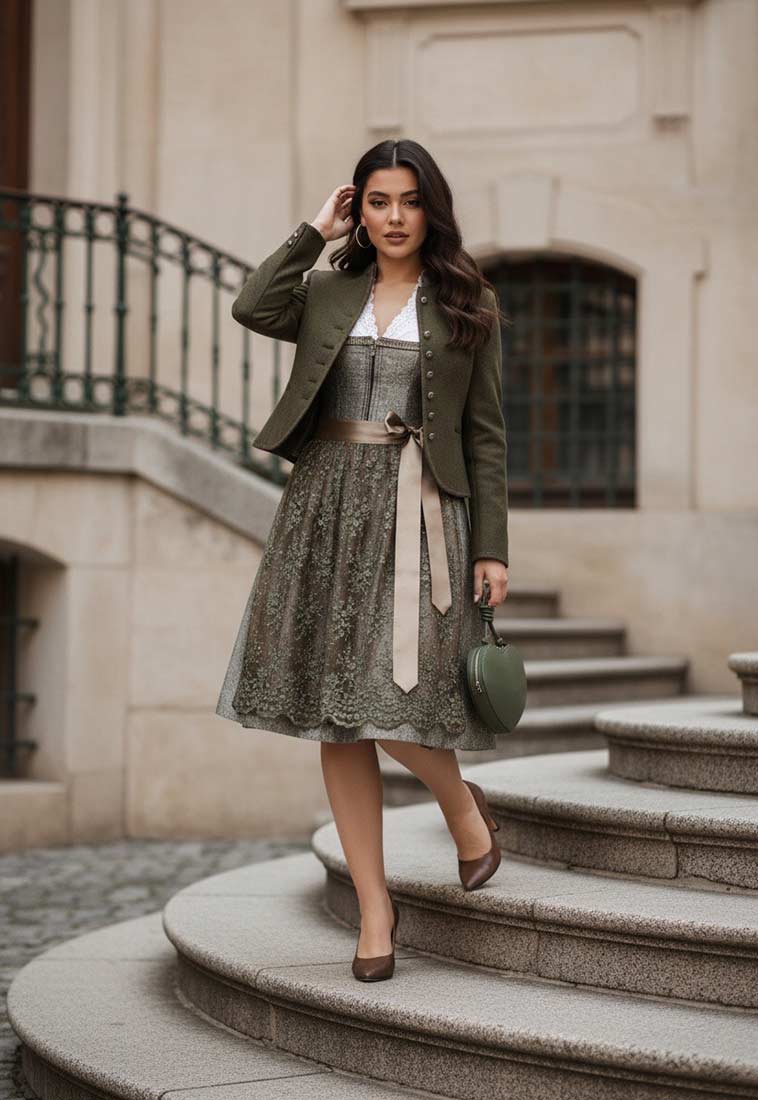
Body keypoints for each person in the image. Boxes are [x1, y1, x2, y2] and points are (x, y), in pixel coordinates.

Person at [216, 138, 510, 982]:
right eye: (377, 202)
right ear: (360, 208)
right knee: (332, 709)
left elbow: (486, 436)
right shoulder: (328, 287)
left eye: (408, 202)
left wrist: (493, 546)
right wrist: (313, 230)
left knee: (387, 696)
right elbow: (250, 304)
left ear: (431, 209)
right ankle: (375, 909)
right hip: (324, 504)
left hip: (421, 511)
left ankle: (463, 807)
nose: (392, 218)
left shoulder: (466, 300)